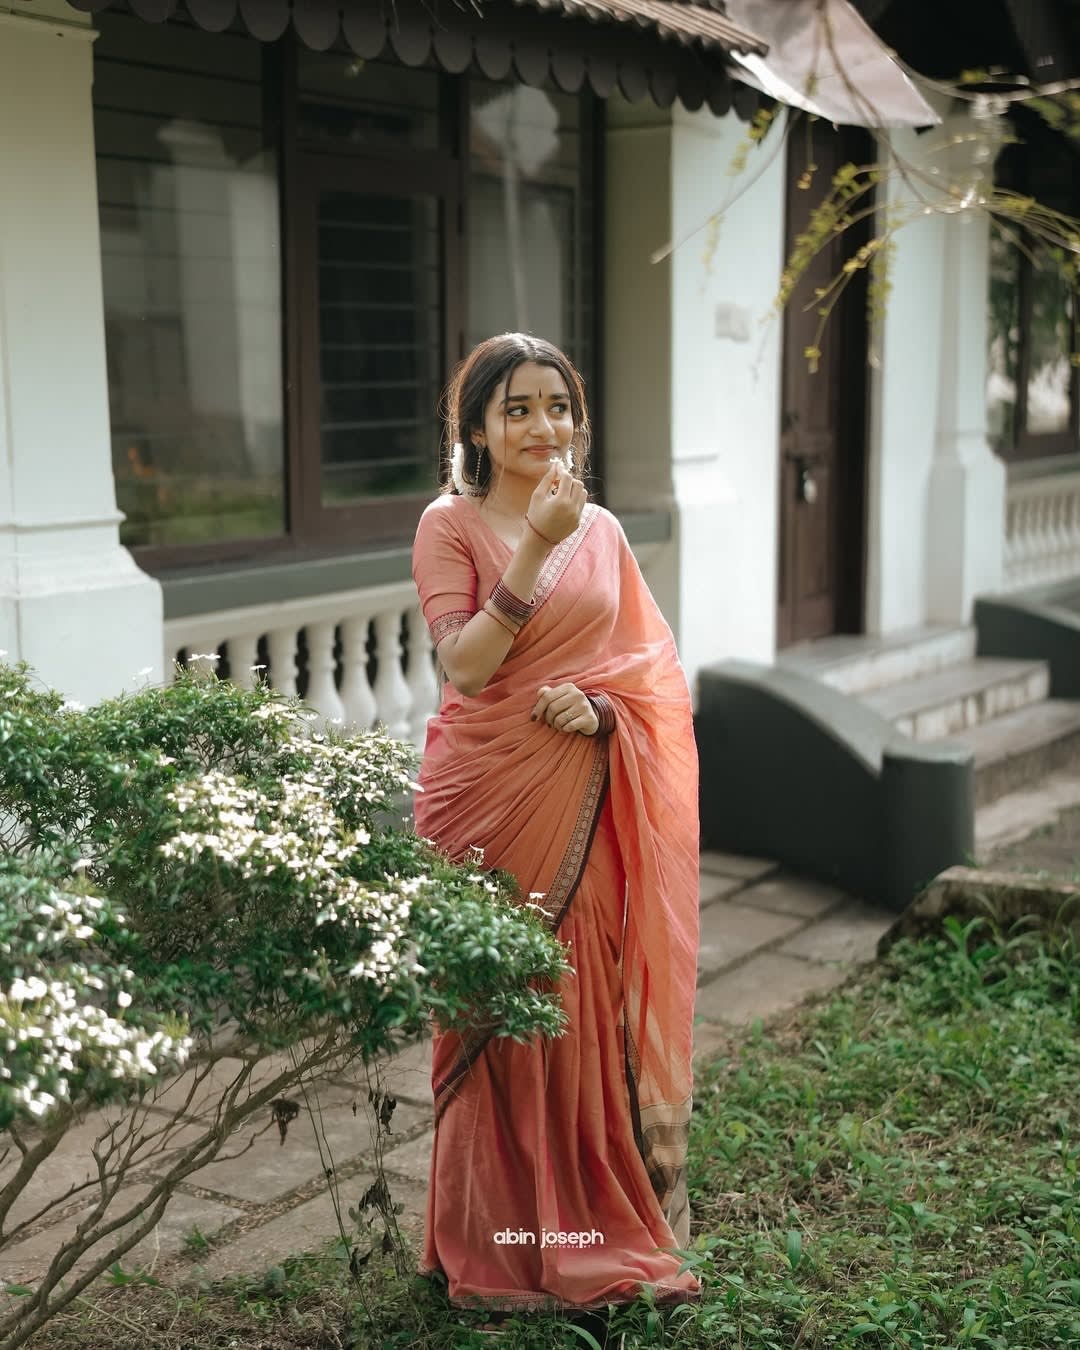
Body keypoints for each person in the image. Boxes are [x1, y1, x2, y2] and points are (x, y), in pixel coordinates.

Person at [410, 332, 701, 1315]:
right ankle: (489, 1240)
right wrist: (534, 540)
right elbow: (467, 666)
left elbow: (650, 676)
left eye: (559, 406)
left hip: (581, 792)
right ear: (480, 427)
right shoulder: (448, 527)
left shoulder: (607, 533)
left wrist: (606, 711)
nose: (544, 426)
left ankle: (586, 1228)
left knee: (576, 1004)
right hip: (486, 800)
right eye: (519, 408)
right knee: (498, 1009)